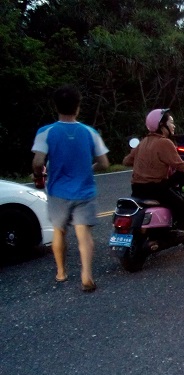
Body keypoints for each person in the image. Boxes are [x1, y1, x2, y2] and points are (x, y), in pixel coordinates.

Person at [31, 85, 110, 293]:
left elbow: (38, 161)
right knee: (83, 233)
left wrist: (39, 175)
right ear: (78, 107)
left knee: (59, 231)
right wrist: (89, 168)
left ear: (56, 106)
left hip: (58, 191)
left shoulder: (45, 132)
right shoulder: (90, 132)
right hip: (85, 190)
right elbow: (104, 163)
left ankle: (61, 272)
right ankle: (87, 275)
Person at [122, 108, 184, 261]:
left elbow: (126, 161)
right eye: (171, 123)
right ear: (162, 125)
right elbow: (180, 166)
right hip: (156, 189)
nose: (174, 126)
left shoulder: (143, 142)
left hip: (137, 188)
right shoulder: (164, 142)